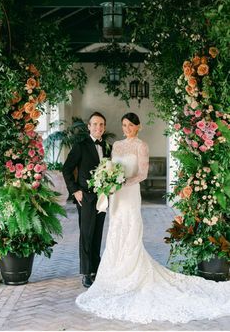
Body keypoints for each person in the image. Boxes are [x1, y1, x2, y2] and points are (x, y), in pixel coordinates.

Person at [75, 112, 230, 324]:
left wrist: (122, 182)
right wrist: (109, 182)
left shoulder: (141, 146)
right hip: (116, 196)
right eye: (124, 125)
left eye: (130, 125)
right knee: (116, 230)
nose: (127, 128)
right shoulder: (117, 146)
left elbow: (143, 174)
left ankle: (131, 272)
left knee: (130, 229)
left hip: (129, 193)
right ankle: (111, 271)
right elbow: (108, 168)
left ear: (138, 127)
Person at [63, 112, 111, 288]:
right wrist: (75, 190)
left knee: (98, 234)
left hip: (103, 197)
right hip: (86, 197)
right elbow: (66, 169)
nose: (98, 127)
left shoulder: (107, 147)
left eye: (102, 124)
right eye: (95, 124)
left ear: (104, 127)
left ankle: (96, 269)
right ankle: (86, 273)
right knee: (86, 235)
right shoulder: (80, 146)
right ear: (89, 127)